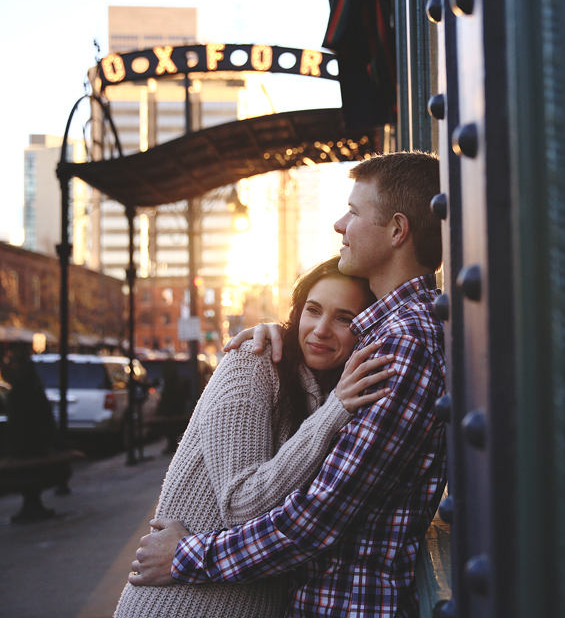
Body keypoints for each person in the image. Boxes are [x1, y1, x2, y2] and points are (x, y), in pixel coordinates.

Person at [130, 151, 448, 618]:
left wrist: (185, 556)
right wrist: (282, 337)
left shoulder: (403, 344)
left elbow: (317, 517)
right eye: (313, 312)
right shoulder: (384, 336)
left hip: (347, 605)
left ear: (397, 230)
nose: (340, 225)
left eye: (354, 212)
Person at [115, 257, 390, 618]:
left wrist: (333, 406)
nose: (321, 329)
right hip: (180, 607)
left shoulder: (331, 390)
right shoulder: (253, 363)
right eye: (313, 310)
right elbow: (240, 506)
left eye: (343, 318)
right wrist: (332, 414)